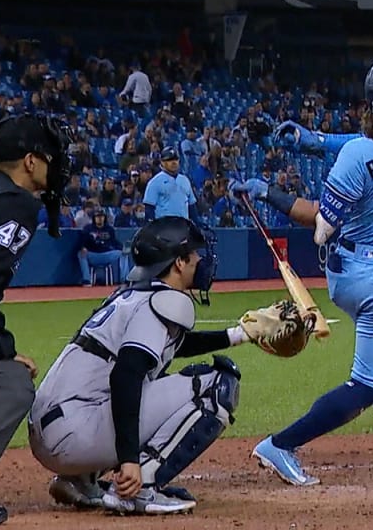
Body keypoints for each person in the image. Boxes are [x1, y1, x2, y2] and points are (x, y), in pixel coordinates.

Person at [232, 53, 373, 485]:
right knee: (365, 385)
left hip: (346, 274)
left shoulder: (355, 156)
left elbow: (318, 217)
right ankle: (281, 443)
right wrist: (316, 141)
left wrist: (269, 188)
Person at [28, 217, 301, 515]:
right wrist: (129, 459)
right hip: (75, 433)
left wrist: (241, 334)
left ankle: (82, 480)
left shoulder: (135, 295)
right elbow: (125, 377)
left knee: (153, 381)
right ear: (179, 263)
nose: (201, 261)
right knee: (214, 387)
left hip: (54, 428)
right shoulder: (160, 302)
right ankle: (140, 488)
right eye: (195, 255)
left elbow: (172, 346)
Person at [0, 113, 71, 527]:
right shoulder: (13, 203)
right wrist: (4, 350)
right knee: (8, 383)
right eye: (49, 158)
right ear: (30, 162)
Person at [142, 147, 198, 223]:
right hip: (163, 228)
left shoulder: (185, 180)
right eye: (169, 160)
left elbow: (192, 206)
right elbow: (149, 209)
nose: (173, 162)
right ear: (162, 162)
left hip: (183, 227)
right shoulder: (155, 182)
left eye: (175, 159)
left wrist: (197, 223)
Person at [77, 208, 130, 286]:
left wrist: (123, 248)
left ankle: (125, 279)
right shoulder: (88, 228)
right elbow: (81, 241)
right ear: (94, 218)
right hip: (93, 255)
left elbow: (114, 242)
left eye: (101, 217)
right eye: (97, 217)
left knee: (123, 253)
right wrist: (83, 247)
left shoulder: (109, 229)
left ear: (104, 218)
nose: (100, 219)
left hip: (106, 254)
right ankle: (86, 280)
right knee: (80, 254)